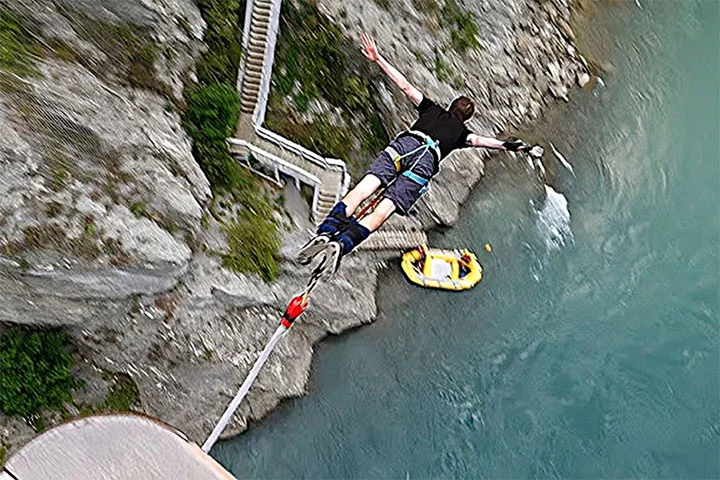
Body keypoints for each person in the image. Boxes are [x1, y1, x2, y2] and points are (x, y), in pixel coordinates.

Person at [306, 33, 531, 263]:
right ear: (466, 120)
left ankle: (326, 231)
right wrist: (508, 146)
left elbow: (404, 86)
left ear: (450, 105)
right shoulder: (462, 134)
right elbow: (483, 141)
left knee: (364, 189)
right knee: (382, 211)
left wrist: (378, 58)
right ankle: (342, 244)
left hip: (406, 146)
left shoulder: (430, 108)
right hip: (423, 165)